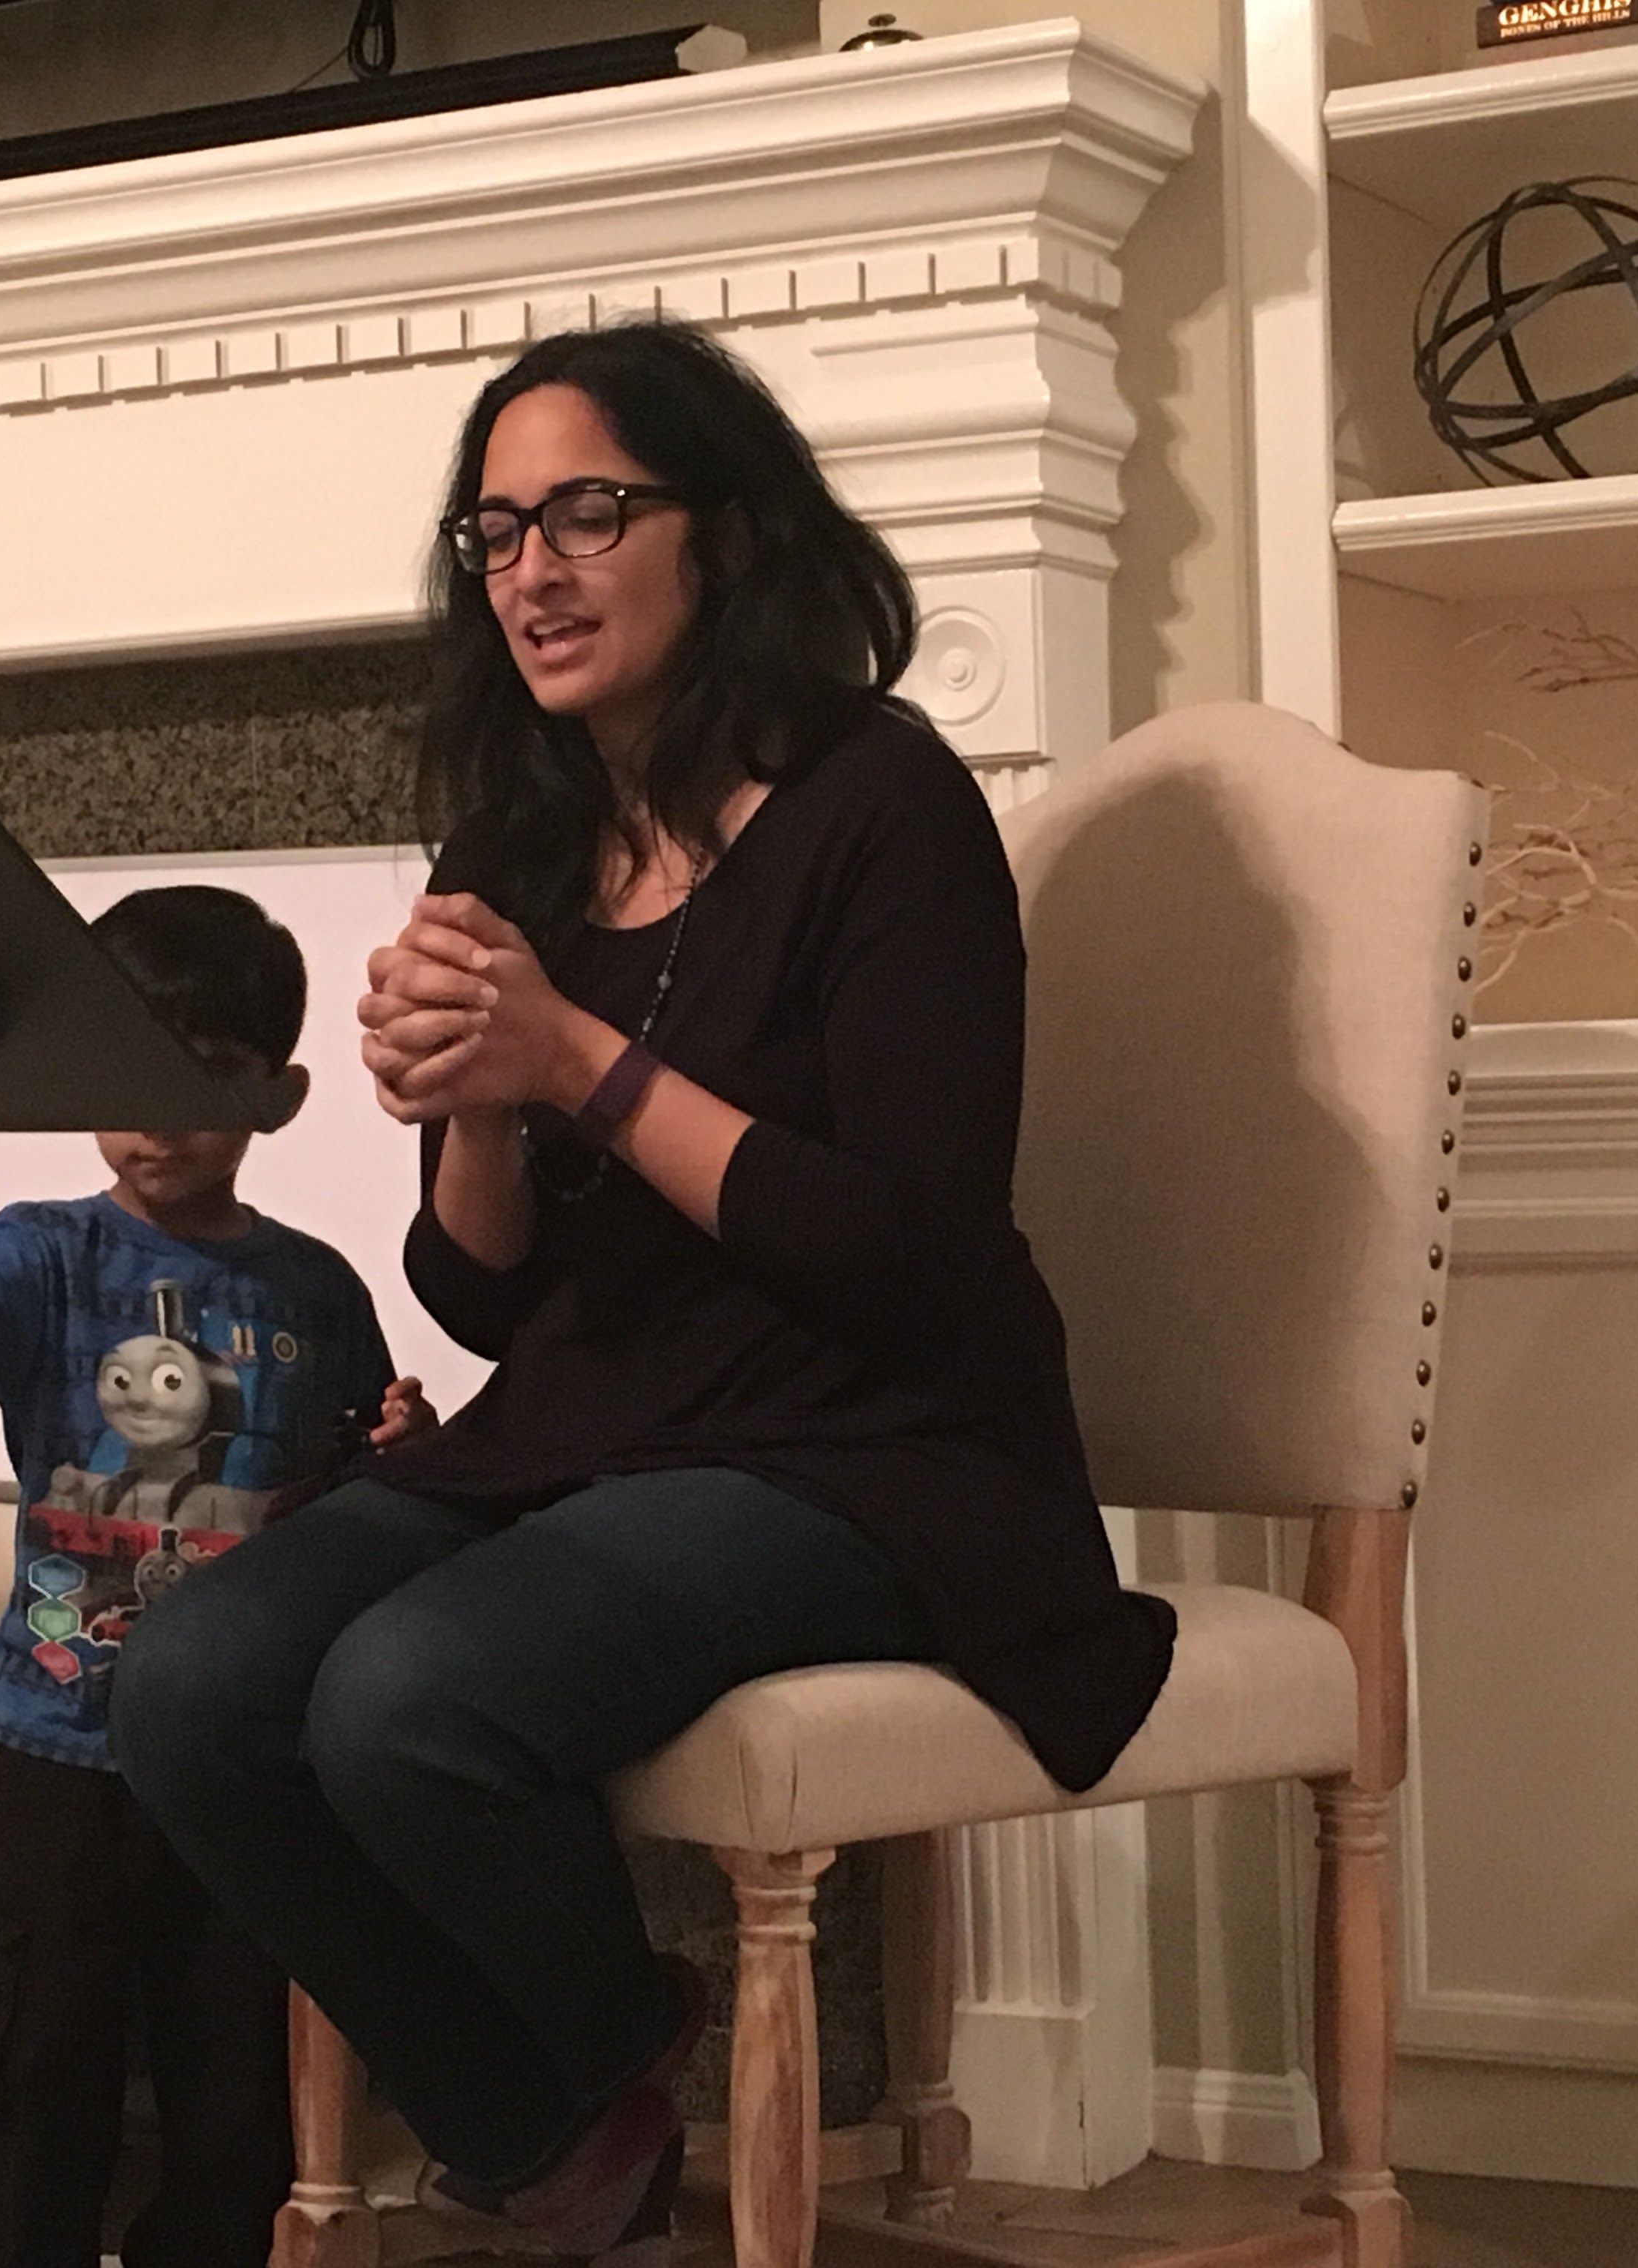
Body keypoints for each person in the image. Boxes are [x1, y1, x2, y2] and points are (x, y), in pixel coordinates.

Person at [108, 320, 1178, 2264]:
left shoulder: (881, 804)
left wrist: (575, 1063)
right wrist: (471, 1099)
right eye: (497, 530)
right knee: (189, 1683)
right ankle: (570, 2108)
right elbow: (480, 1295)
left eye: (588, 513)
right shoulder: (518, 844)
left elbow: (911, 1250)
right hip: (594, 1429)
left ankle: (573, 2115)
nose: (532, 569)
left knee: (410, 1695)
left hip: (869, 1446)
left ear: (732, 536)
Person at [0, 884, 434, 2268]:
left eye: (200, 1078)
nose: (156, 1120)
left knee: (238, 2099)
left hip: (235, 1762)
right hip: (57, 1751)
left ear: (276, 1095)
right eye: (124, 1074)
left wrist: (406, 1438)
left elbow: (359, 1483)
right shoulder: (43, 1249)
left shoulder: (315, 1290)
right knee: (33, 2076)